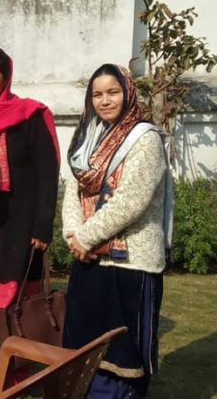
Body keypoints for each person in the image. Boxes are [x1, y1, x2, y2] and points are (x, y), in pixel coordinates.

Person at [62, 64, 169, 398]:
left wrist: (85, 237)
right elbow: (72, 190)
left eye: (113, 92)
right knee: (86, 346)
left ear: (128, 93)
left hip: (130, 265)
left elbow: (131, 201)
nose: (105, 100)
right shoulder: (88, 138)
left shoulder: (145, 139)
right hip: (90, 261)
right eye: (97, 94)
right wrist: (72, 234)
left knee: (123, 352)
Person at [0, 45, 60, 317]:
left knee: (18, 290)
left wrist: (43, 225)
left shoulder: (30, 115)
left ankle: (17, 352)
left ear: (5, 78)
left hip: (19, 218)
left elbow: (47, 173)